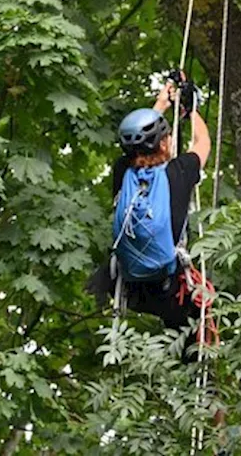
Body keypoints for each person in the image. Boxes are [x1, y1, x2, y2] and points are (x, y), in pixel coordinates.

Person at [87, 76, 212, 361]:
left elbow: (138, 143)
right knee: (197, 336)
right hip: (170, 289)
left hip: (132, 288)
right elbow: (202, 142)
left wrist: (162, 103)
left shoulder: (122, 172)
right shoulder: (179, 172)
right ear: (165, 144)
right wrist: (190, 109)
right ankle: (203, 390)